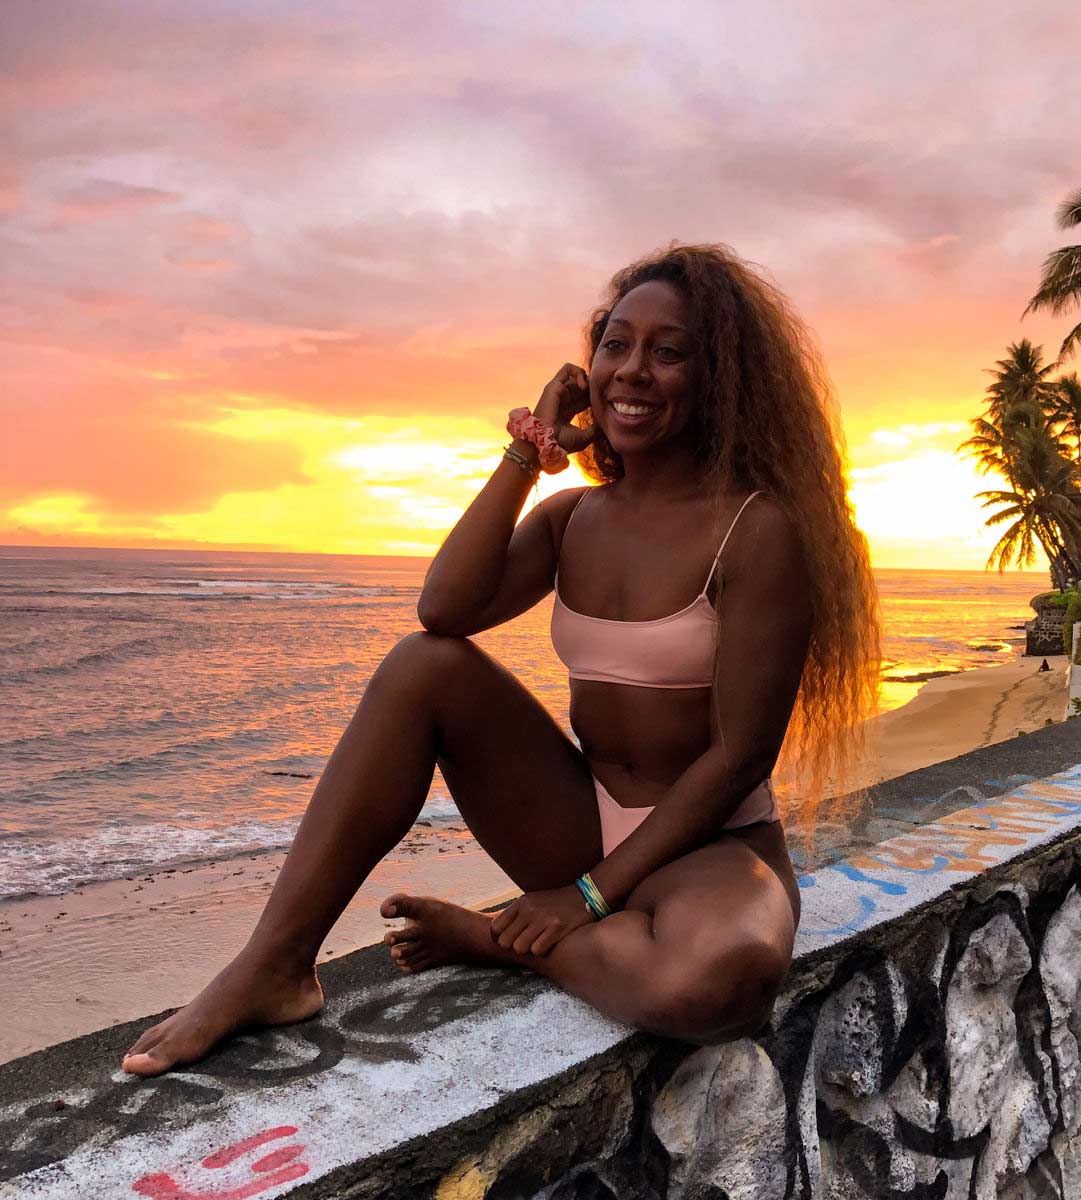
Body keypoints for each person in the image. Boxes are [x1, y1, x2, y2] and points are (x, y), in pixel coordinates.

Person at [121, 243, 879, 1077]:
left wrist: (585, 897)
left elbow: (739, 758)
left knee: (717, 985)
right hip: (578, 824)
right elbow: (445, 610)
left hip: (709, 849)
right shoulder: (572, 518)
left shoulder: (758, 530)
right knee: (423, 665)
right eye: (615, 345)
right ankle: (275, 964)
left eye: (669, 352)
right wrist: (528, 450)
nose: (632, 371)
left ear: (721, 380)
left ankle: (496, 940)